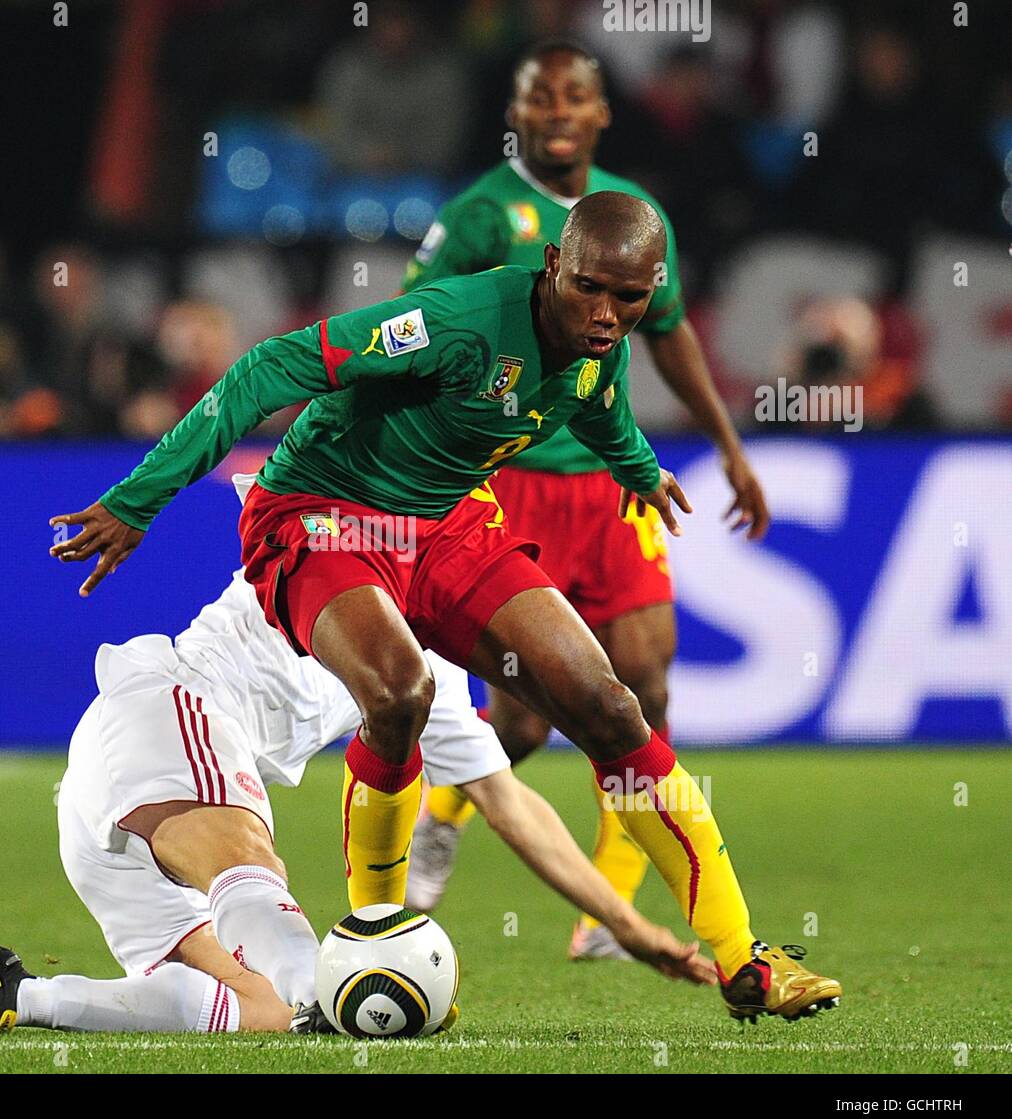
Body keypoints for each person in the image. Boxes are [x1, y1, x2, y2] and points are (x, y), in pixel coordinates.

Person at [49, 190, 841, 1021]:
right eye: (591, 290)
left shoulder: (599, 341)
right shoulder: (454, 321)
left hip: (449, 525)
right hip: (322, 512)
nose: (608, 315)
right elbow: (266, 368)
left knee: (612, 707)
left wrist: (639, 468)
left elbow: (602, 408)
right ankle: (374, 929)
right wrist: (139, 499)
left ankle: (745, 954)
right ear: (552, 266)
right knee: (399, 692)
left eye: (630, 297)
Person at [0, 554, 709, 1037]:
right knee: (268, 893)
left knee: (265, 1009)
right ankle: (338, 988)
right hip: (170, 718)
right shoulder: (330, 540)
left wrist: (631, 925)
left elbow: (509, 804)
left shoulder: (422, 676)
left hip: (126, 818)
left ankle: (22, 995)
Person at [400, 42, 771, 960]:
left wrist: (728, 448)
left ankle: (613, 896)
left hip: (610, 477)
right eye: (540, 98)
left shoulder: (633, 220)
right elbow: (415, 333)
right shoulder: (481, 215)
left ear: (603, 113)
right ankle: (446, 808)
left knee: (644, 674)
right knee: (527, 716)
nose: (558, 112)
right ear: (517, 112)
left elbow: (674, 335)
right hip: (513, 478)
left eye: (575, 98)